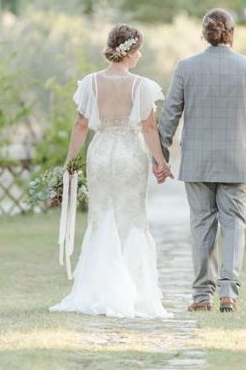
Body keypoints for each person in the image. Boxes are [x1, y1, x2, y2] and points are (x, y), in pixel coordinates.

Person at [49, 24, 172, 318]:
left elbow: (80, 125)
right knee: (132, 219)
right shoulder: (142, 86)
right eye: (139, 49)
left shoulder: (90, 83)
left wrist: (69, 162)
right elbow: (149, 127)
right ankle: (134, 291)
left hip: (101, 153)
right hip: (130, 152)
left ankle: (99, 289)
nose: (140, 55)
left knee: (101, 217)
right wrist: (161, 161)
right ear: (129, 51)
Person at [156, 8, 246, 313]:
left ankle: (200, 296)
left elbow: (169, 115)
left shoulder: (186, 68)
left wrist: (161, 157)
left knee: (201, 225)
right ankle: (228, 293)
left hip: (196, 162)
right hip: (237, 161)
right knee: (234, 224)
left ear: (204, 35)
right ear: (232, 34)